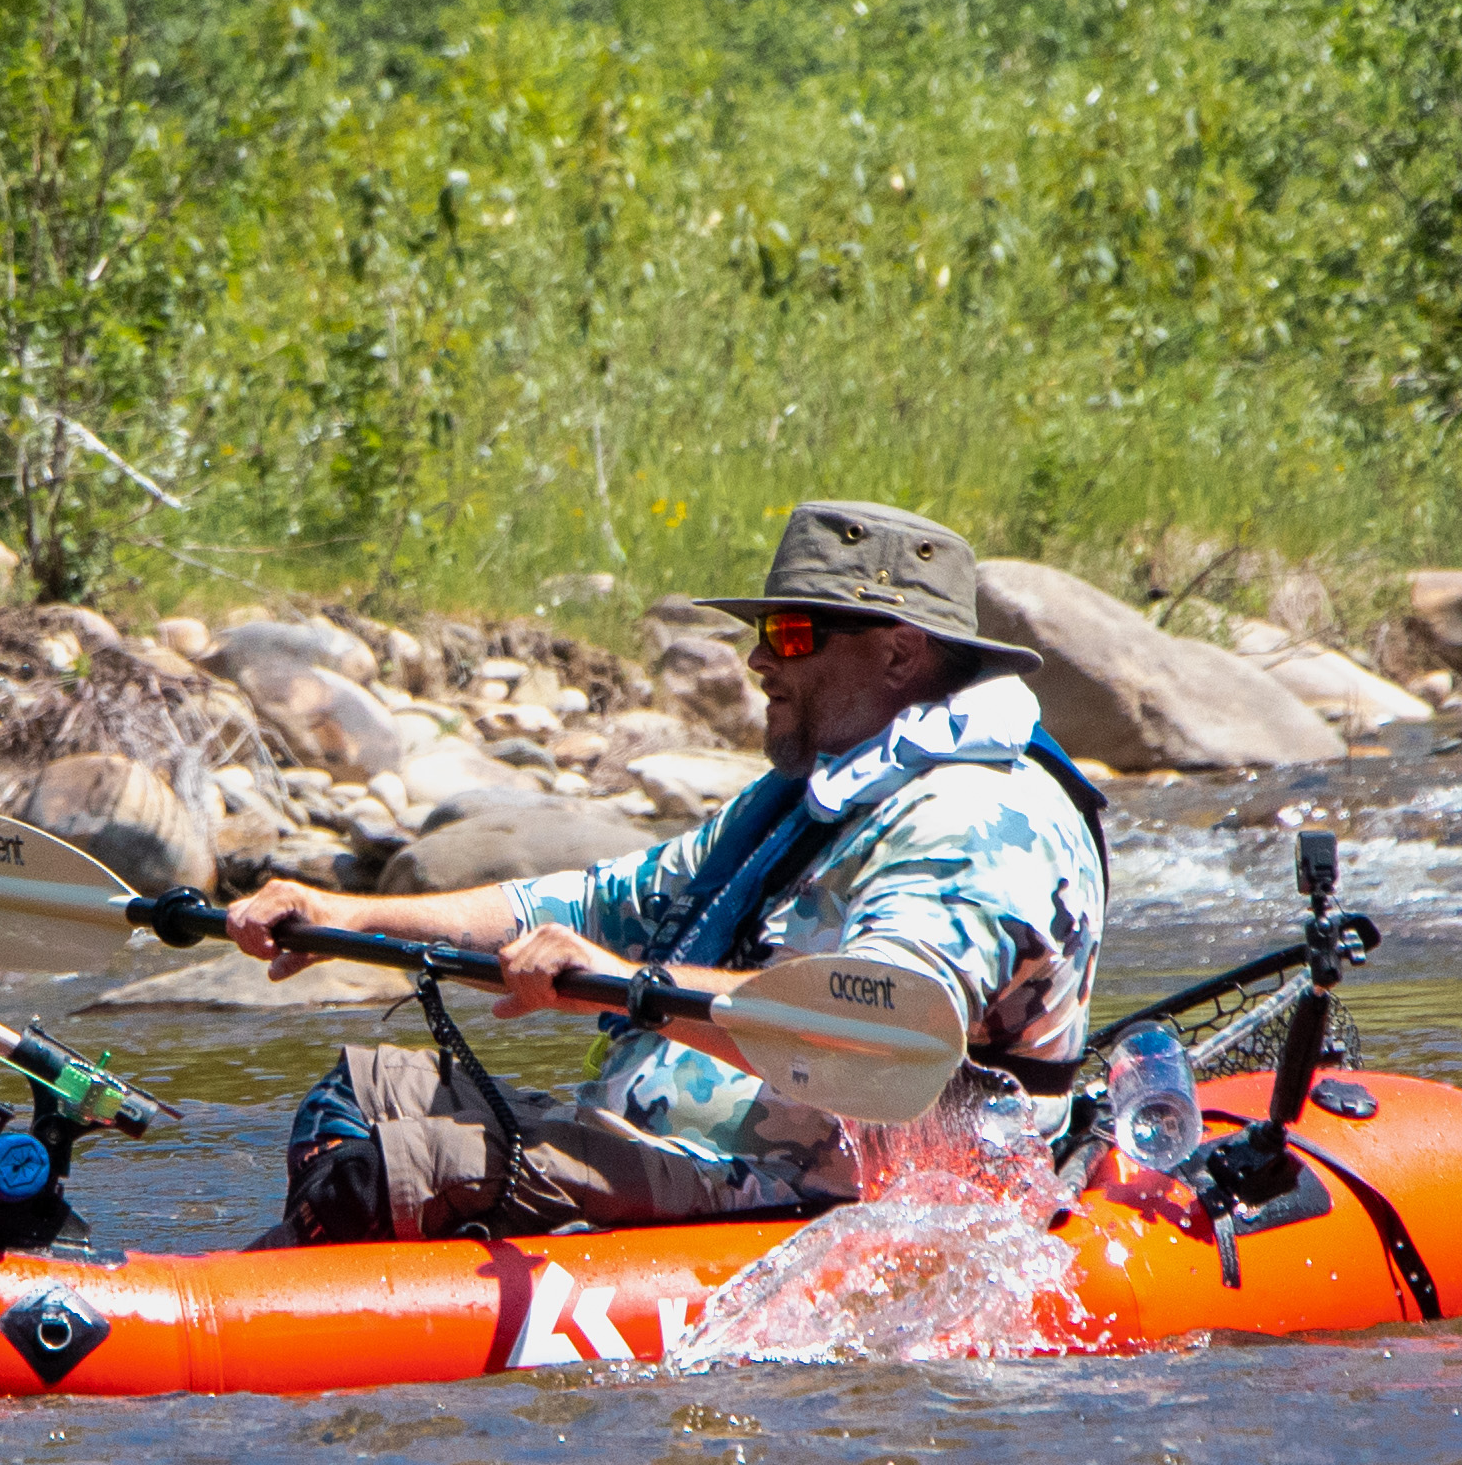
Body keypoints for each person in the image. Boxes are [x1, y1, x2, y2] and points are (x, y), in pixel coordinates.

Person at [232, 497, 1108, 1242]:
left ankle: (238, 1336)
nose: (759, 657)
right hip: (681, 1142)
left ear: (899, 652)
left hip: (825, 1195)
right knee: (360, 1090)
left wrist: (619, 983)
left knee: (397, 1170)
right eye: (764, 632)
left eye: (792, 632)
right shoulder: (819, 795)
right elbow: (602, 901)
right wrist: (345, 916)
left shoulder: (980, 822)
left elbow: (876, 1040)